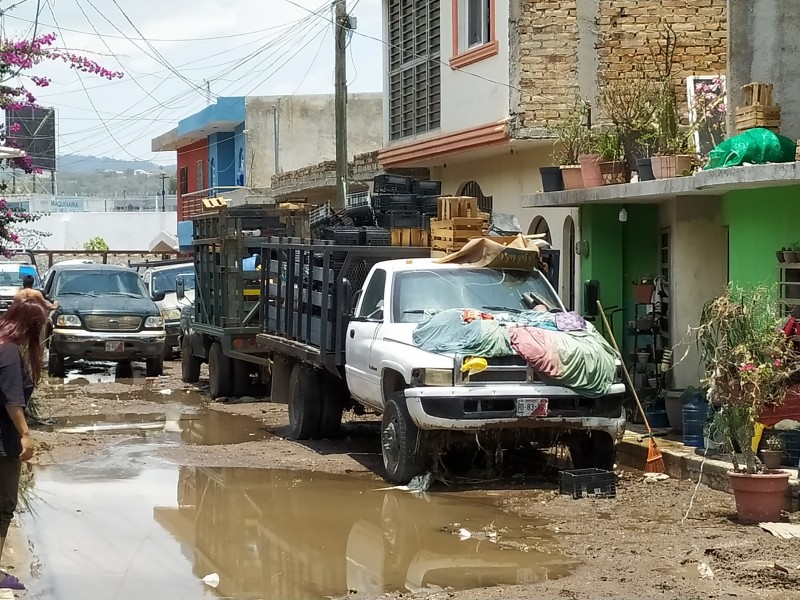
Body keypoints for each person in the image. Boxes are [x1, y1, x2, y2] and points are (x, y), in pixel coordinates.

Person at [0, 301, 47, 590]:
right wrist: (26, 435)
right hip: (4, 443)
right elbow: (12, 400)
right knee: (4, 507)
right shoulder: (8, 353)